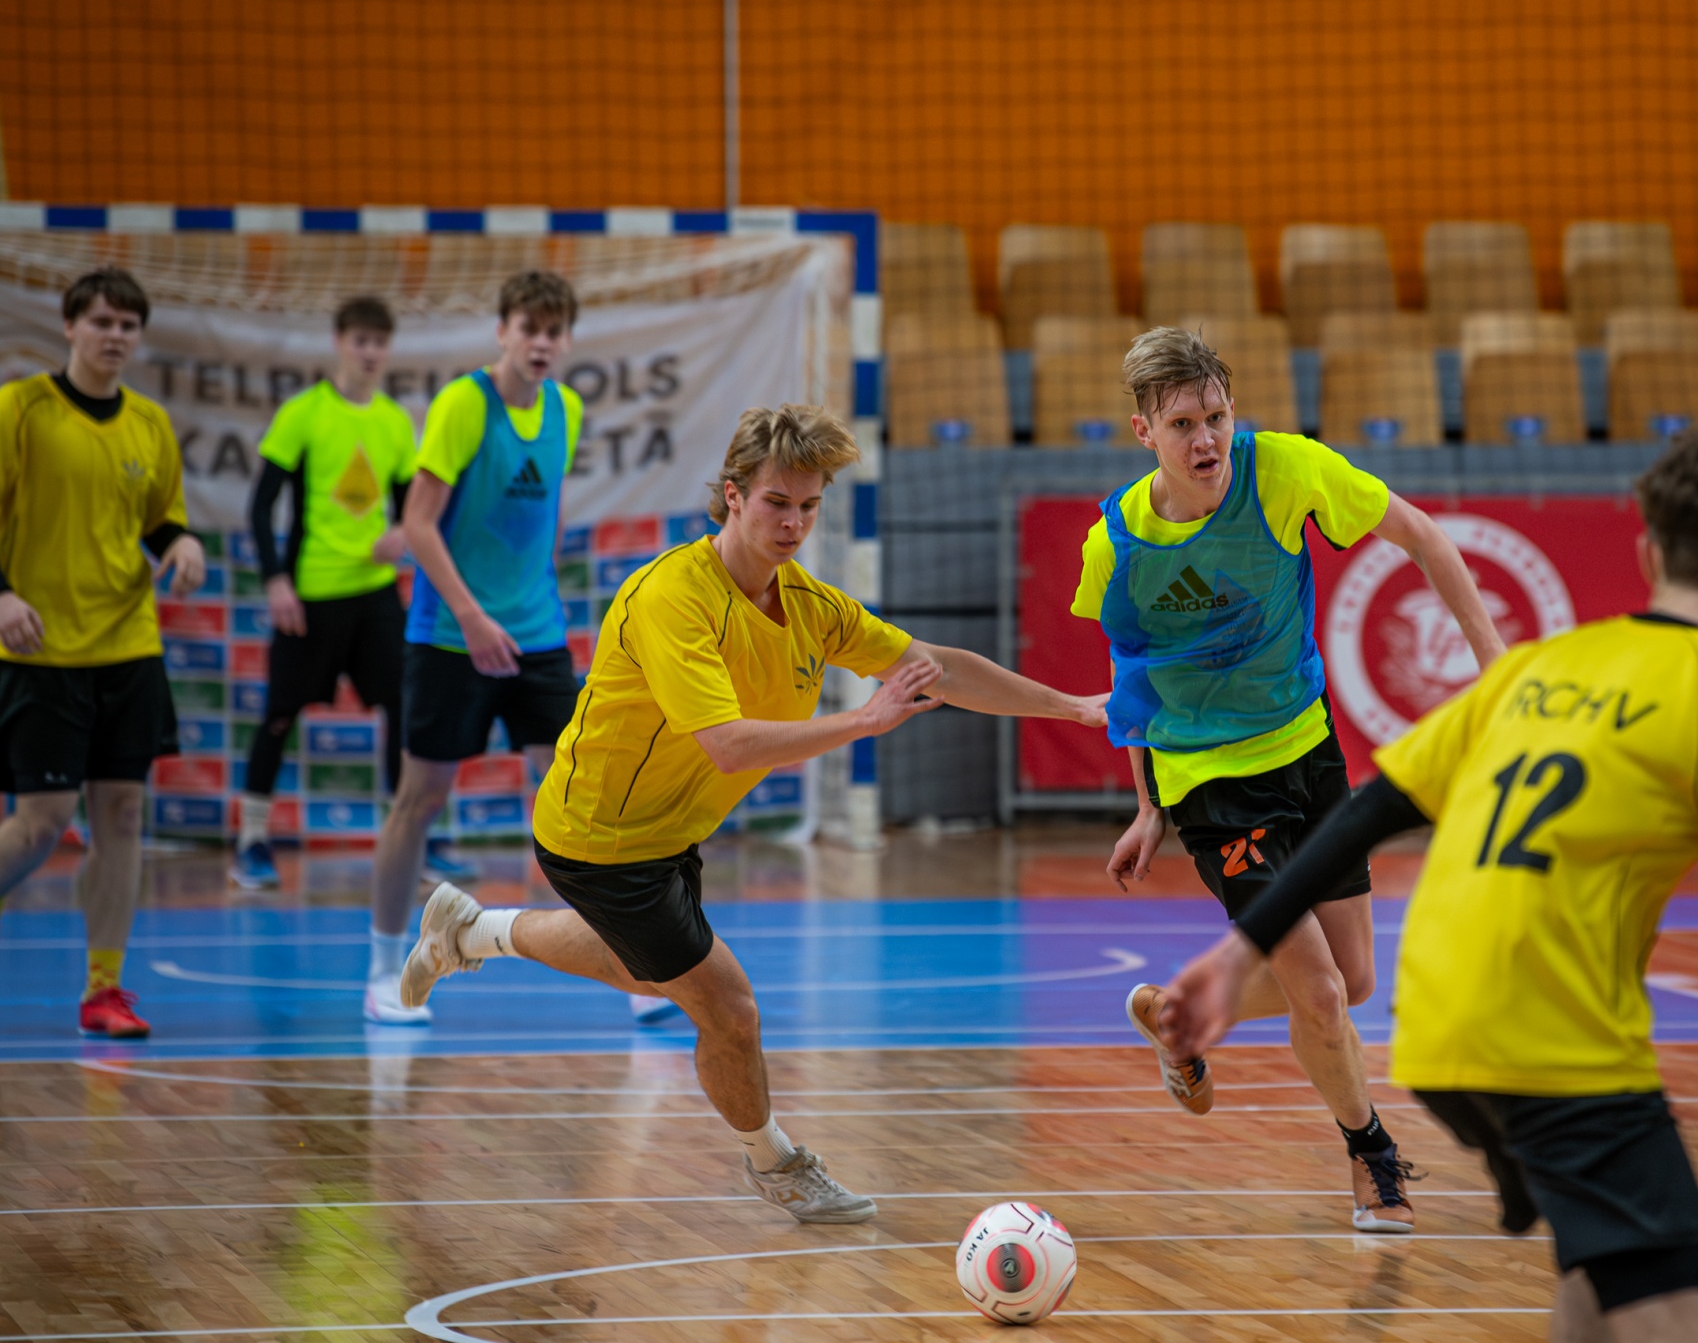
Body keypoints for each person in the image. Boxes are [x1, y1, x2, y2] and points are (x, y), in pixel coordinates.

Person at [1158, 431, 1698, 1343]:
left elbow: (1369, 810)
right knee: (1687, 1340)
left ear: (1648, 552)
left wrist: (1239, 949)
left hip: (1435, 1029)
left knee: (1601, 1265)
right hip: (1555, 1039)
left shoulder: (1546, 665)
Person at [399, 404, 1108, 1223]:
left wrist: (1071, 707)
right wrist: (863, 721)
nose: (793, 523)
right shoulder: (674, 597)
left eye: (809, 506)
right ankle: (776, 1164)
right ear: (732, 496)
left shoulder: (808, 604)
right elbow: (730, 746)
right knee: (728, 1010)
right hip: (603, 836)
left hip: (671, 832)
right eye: (776, 502)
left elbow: (934, 667)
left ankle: (470, 932)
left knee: (645, 970)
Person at [1080, 327, 1504, 1233]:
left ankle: (1176, 1015)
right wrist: (1150, 804)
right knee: (1318, 990)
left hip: (1307, 754)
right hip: (1210, 783)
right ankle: (1372, 1157)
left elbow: (1422, 535)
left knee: (1353, 980)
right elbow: (1132, 675)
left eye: (1216, 416)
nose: (1206, 439)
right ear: (1143, 432)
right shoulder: (1116, 543)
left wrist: (1495, 665)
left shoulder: (1285, 471)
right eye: (1183, 424)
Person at [0, 267, 208, 1039]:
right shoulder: (18, 408)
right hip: (41, 649)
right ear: (69, 327)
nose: (114, 336)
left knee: (122, 814)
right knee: (42, 822)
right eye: (101, 322)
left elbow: (159, 521)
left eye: (127, 324)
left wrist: (183, 543)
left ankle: (104, 989)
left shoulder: (150, 424)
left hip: (128, 643)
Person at [364, 270, 586, 1024]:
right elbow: (418, 524)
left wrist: (533, 596)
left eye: (554, 331)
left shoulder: (567, 409)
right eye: (529, 328)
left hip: (537, 635)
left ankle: (633, 966)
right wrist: (472, 616)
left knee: (577, 796)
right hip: (450, 636)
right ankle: (382, 968)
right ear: (503, 332)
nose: (541, 343)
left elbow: (548, 512)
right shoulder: (464, 404)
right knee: (419, 799)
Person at [233, 296, 416, 894]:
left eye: (379, 342)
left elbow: (413, 507)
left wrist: (401, 531)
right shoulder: (303, 414)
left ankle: (408, 839)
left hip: (375, 595)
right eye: (360, 340)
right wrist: (275, 580)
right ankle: (251, 841)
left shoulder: (394, 422)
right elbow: (260, 506)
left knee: (403, 709)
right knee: (279, 715)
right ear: (339, 342)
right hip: (310, 594)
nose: (369, 352)